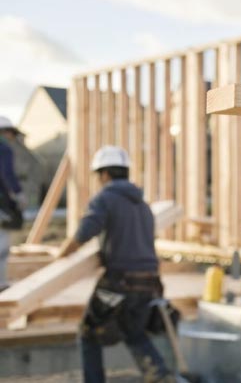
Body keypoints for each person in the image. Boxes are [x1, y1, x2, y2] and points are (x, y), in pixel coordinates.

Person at [57, 146, 176, 383]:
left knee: (88, 335)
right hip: (150, 282)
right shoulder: (143, 206)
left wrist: (61, 255)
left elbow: (85, 232)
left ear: (104, 174)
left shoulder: (105, 198)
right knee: (134, 332)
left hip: (119, 283)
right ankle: (161, 377)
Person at [0, 116, 25, 291]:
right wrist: (18, 194)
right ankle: (1, 284)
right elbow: (6, 174)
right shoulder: (4, 149)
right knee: (1, 245)